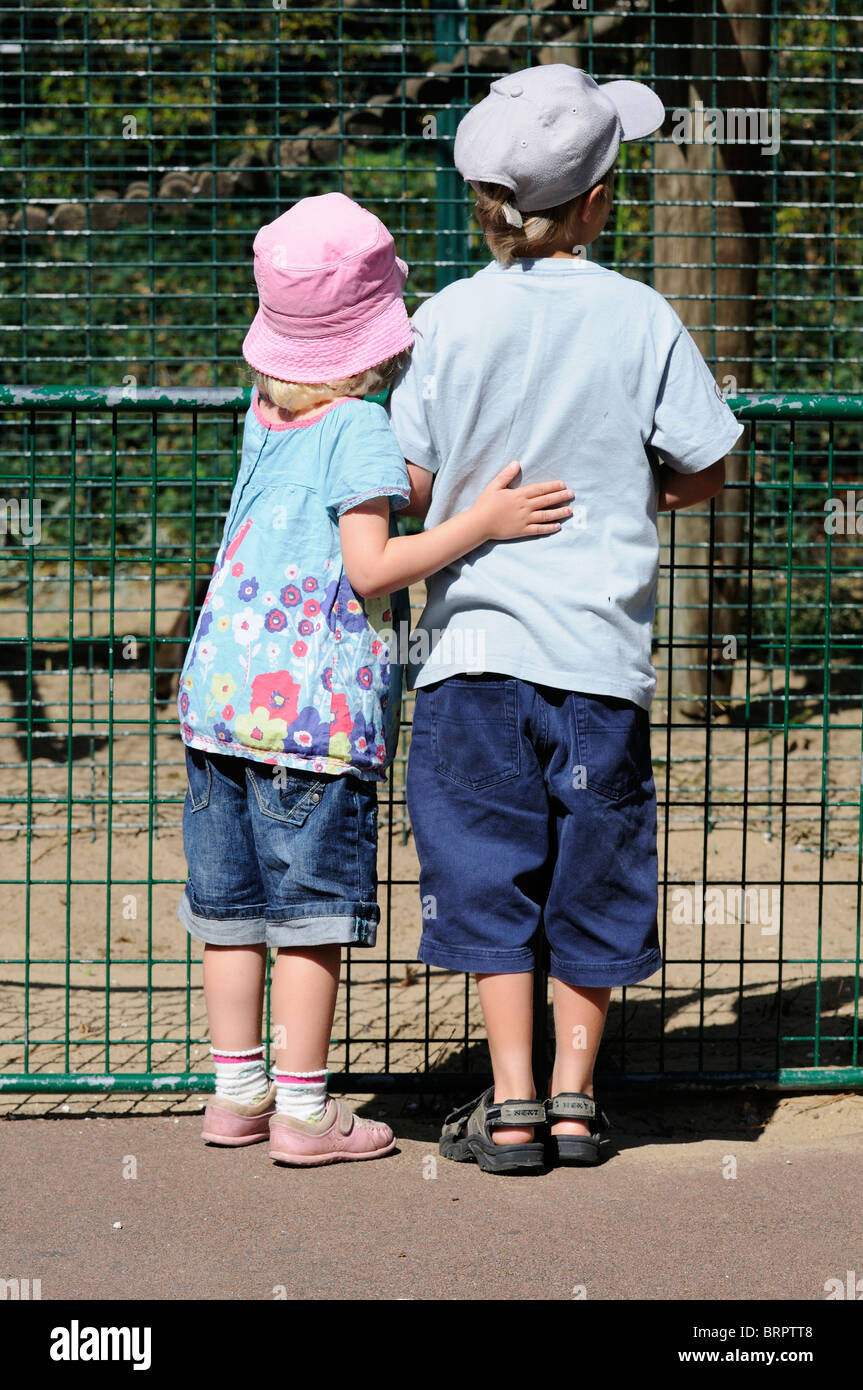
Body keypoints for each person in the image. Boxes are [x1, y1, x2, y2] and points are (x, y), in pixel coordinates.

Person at [387, 66, 745, 1173]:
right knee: (594, 870)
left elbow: (406, 481)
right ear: (596, 202)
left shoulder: (443, 317)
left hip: (470, 663)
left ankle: (509, 1103)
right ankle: (579, 1100)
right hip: (597, 663)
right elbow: (704, 469)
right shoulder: (641, 315)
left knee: (490, 872)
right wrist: (627, 486)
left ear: (485, 203)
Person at [176, 191, 573, 1166]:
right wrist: (476, 527)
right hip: (310, 712)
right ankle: (305, 1112)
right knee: (307, 915)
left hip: (219, 695)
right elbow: (366, 565)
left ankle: (236, 1094)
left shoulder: (264, 412)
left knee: (228, 908)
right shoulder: (359, 427)